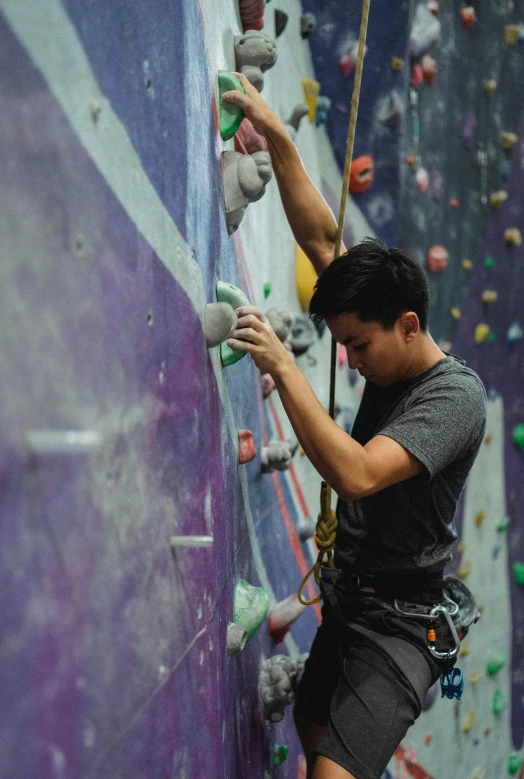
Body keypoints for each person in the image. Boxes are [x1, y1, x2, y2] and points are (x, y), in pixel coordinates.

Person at [223, 75, 487, 779]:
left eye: (359, 345)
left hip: (403, 625)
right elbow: (320, 235)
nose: (350, 358)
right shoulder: (379, 331)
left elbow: (359, 471)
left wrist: (285, 363)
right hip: (352, 596)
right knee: (313, 726)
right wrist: (277, 135)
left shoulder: (456, 397)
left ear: (409, 325)